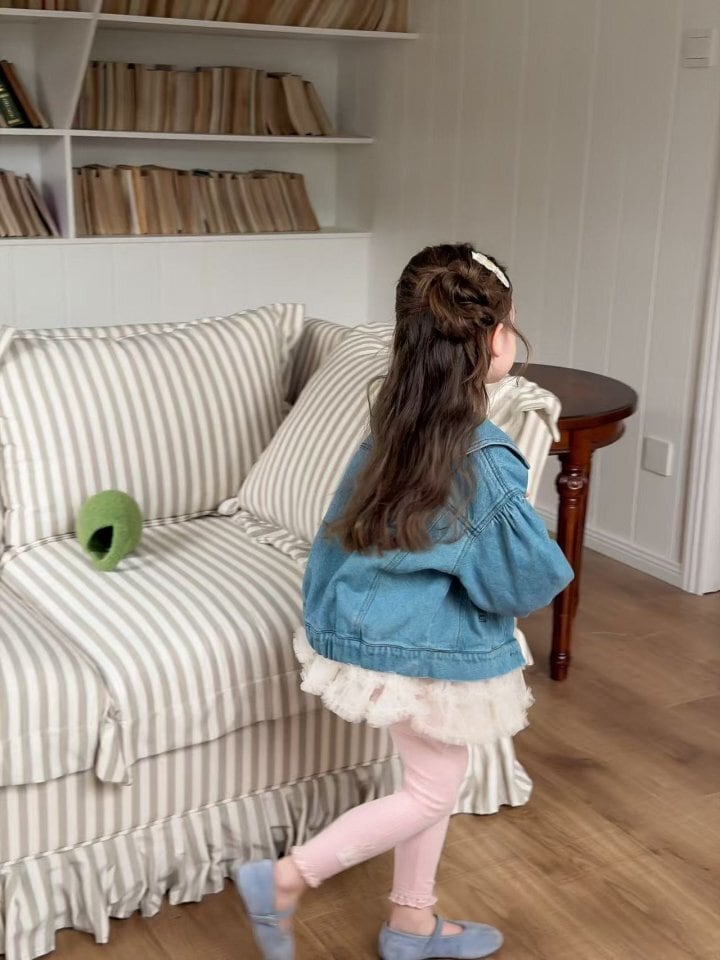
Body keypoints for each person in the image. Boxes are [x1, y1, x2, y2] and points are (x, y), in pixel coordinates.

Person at [233, 242, 574, 960]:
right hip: (412, 639)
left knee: (430, 777)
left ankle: (411, 925)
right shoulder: (481, 458)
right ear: (494, 340)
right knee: (431, 789)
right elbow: (525, 581)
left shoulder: (397, 420)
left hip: (363, 618)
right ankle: (286, 879)